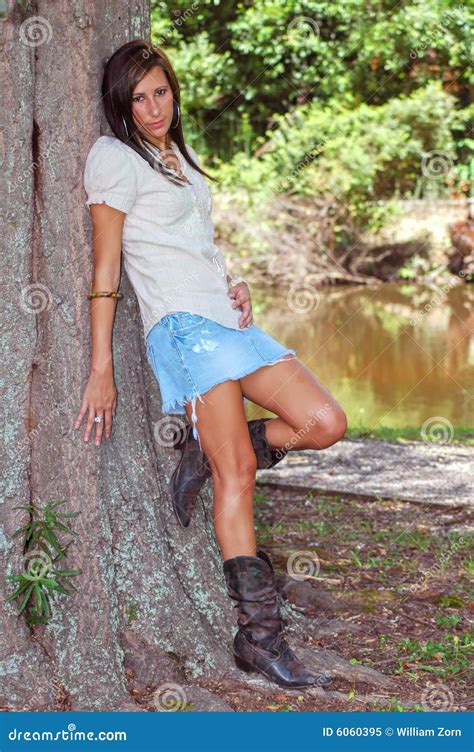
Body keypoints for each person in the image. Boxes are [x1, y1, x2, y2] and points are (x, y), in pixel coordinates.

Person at [75, 38, 347, 690]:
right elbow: (107, 268)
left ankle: (209, 451)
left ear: (173, 88)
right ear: (122, 105)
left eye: (160, 91)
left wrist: (236, 283)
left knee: (324, 421)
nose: (152, 108)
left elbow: (197, 245)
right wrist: (100, 366)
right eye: (137, 98)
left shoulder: (181, 159)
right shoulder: (115, 159)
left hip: (227, 322)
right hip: (184, 331)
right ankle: (258, 636)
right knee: (240, 477)